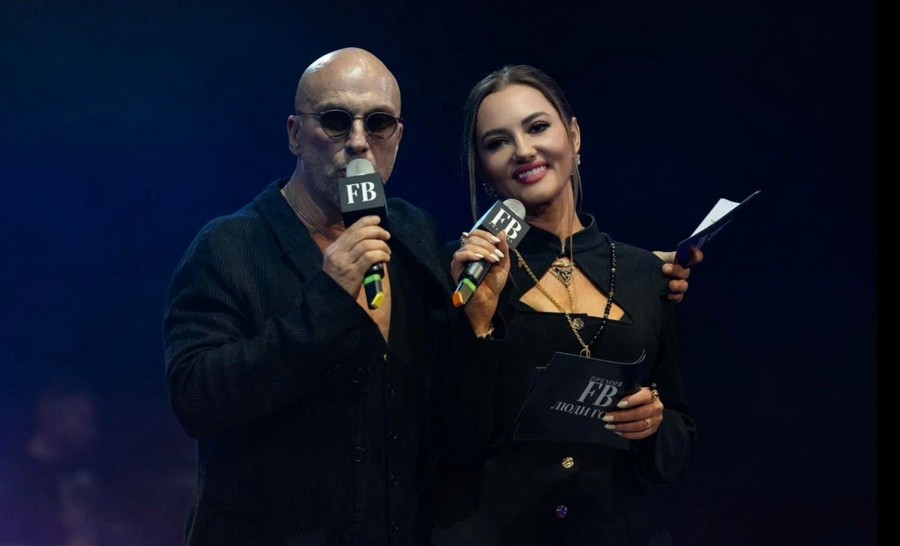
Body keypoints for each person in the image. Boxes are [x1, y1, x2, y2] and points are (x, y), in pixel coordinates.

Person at [163, 47, 697, 546]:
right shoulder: (230, 246)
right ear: (295, 134)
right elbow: (196, 400)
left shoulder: (413, 237)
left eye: (378, 123)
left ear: (398, 137)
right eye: (335, 120)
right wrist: (327, 301)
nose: (358, 142)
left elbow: (440, 407)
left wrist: (641, 273)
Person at [431, 65, 696, 546]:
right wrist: (478, 322)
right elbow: (449, 441)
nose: (523, 150)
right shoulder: (459, 272)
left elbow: (677, 448)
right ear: (483, 168)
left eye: (537, 127)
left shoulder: (644, 273)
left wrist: (654, 424)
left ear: (573, 136)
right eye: (497, 142)